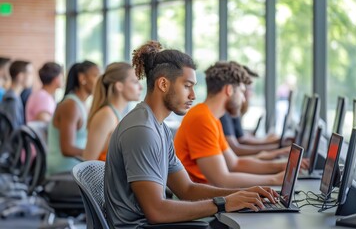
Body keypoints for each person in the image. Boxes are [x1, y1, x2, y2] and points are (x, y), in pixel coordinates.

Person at [104, 41, 278, 228]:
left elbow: (187, 189)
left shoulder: (158, 127)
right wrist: (223, 203)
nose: (193, 95)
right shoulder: (142, 131)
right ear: (163, 84)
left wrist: (240, 194)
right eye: (187, 86)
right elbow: (156, 211)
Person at [174, 61, 287, 188]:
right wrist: (274, 180)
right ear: (229, 90)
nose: (243, 99)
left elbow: (235, 163)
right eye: (241, 92)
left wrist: (281, 167)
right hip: (201, 201)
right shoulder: (202, 119)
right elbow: (222, 180)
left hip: (211, 195)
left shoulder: (212, 118)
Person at [47, 60, 100, 175]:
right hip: (64, 171)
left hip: (77, 167)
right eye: (96, 76)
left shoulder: (83, 105)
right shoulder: (71, 106)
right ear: (82, 78)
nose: (100, 81)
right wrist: (94, 152)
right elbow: (67, 149)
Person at [83, 62, 142, 161]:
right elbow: (88, 162)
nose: (141, 87)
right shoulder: (106, 115)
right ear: (119, 86)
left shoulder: (115, 115)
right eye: (135, 82)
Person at [0, 60, 33, 128]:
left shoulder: (14, 97)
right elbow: (13, 133)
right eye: (30, 73)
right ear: (20, 76)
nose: (32, 77)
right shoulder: (12, 100)